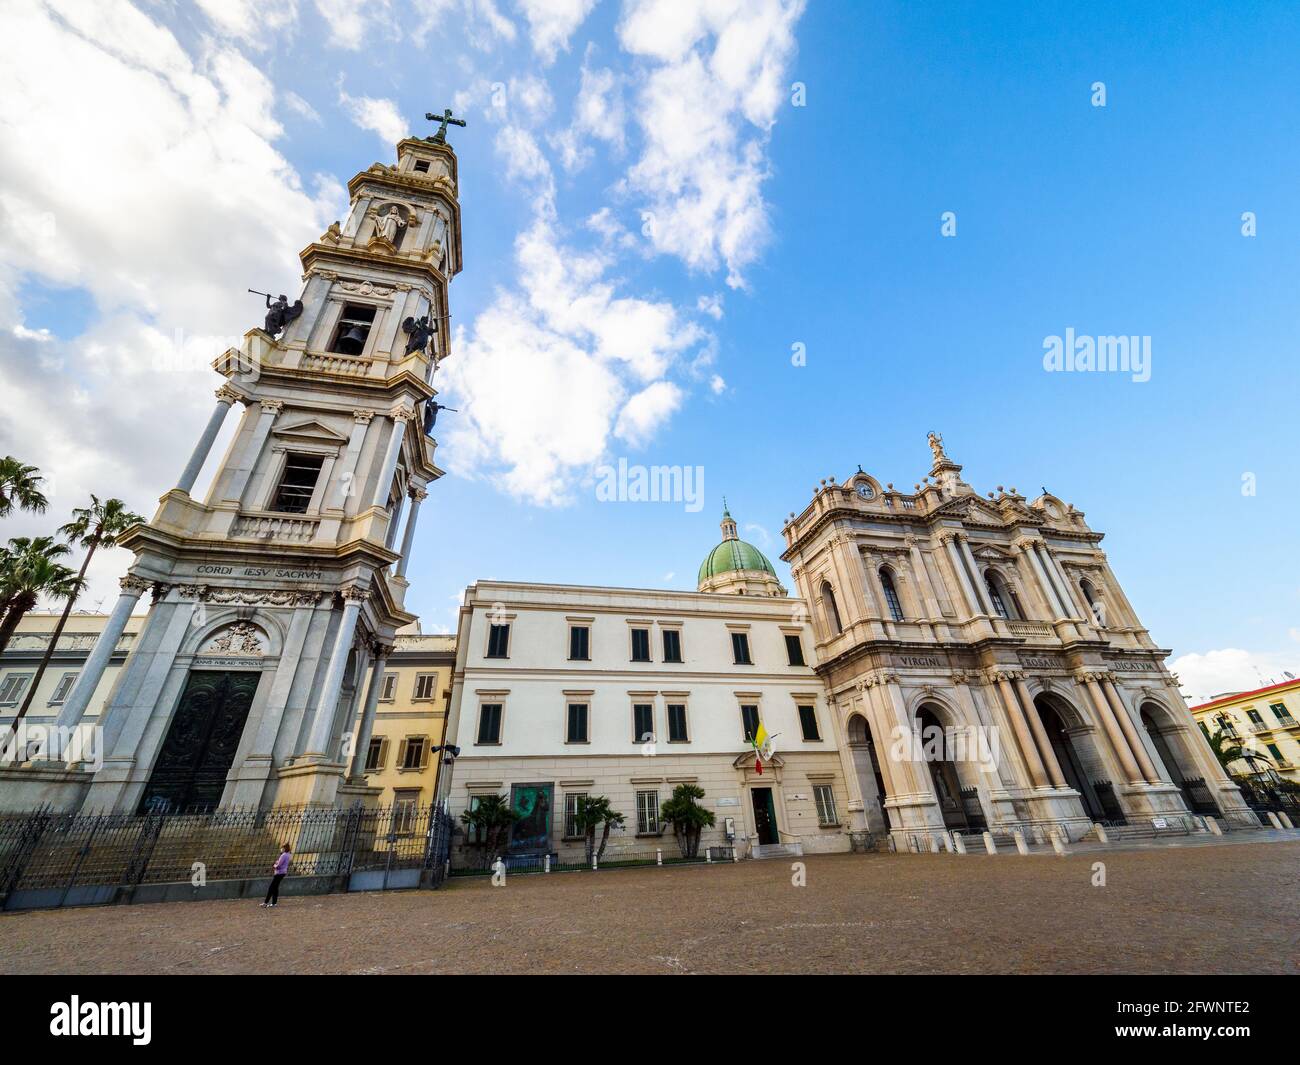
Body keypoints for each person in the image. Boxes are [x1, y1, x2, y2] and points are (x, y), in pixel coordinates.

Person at [262, 843, 291, 908]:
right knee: (275, 888)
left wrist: (274, 865)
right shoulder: (288, 855)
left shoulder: (283, 855)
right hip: (283, 872)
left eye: (282, 848)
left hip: (279, 873)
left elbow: (278, 866)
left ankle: (265, 903)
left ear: (284, 848)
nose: (281, 849)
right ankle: (274, 903)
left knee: (271, 887)